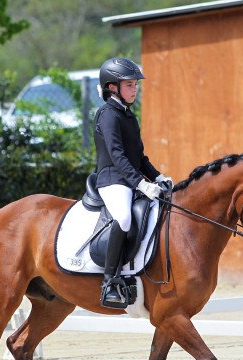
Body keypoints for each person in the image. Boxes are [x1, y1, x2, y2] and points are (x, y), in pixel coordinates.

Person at [94, 57, 171, 308]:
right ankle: (109, 281)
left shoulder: (128, 116)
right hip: (112, 180)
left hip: (129, 179)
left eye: (135, 85)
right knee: (124, 218)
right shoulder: (107, 115)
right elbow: (116, 155)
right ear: (112, 87)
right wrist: (140, 183)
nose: (134, 89)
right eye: (129, 85)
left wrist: (157, 177)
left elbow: (138, 156)